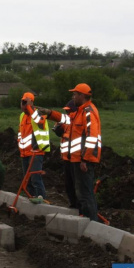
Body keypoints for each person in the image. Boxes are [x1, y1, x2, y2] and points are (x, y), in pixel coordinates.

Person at [38, 83, 101, 221]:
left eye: (75, 94)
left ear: (82, 96)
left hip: (82, 160)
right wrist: (49, 113)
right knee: (77, 191)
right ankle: (82, 219)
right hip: (74, 159)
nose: (73, 97)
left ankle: (92, 224)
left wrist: (85, 159)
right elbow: (65, 119)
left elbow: (92, 137)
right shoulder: (79, 111)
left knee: (84, 193)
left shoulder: (89, 112)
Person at [18, 92, 50, 199]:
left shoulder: (37, 114)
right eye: (22, 102)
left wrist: (30, 108)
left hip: (36, 151)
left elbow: (39, 122)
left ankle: (41, 199)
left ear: (32, 102)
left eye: (26, 102)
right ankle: (31, 198)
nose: (23, 104)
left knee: (35, 177)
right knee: (27, 179)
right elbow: (21, 133)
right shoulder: (22, 116)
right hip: (25, 152)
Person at [52, 100, 79, 209]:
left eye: (69, 111)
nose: (67, 114)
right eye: (66, 112)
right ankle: (73, 205)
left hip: (75, 159)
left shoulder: (77, 123)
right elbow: (60, 133)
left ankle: (80, 207)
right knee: (69, 185)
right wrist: (58, 127)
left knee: (76, 184)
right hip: (67, 158)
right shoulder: (67, 122)